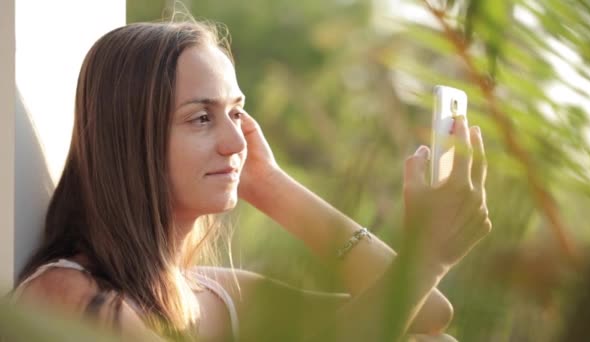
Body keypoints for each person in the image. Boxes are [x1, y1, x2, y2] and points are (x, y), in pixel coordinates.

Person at [12, 20, 491, 341]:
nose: (235, 141)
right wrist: (427, 255)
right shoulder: (68, 297)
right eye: (201, 118)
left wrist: (270, 184)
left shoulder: (212, 295)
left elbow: (428, 313)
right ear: (129, 137)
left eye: (237, 113)